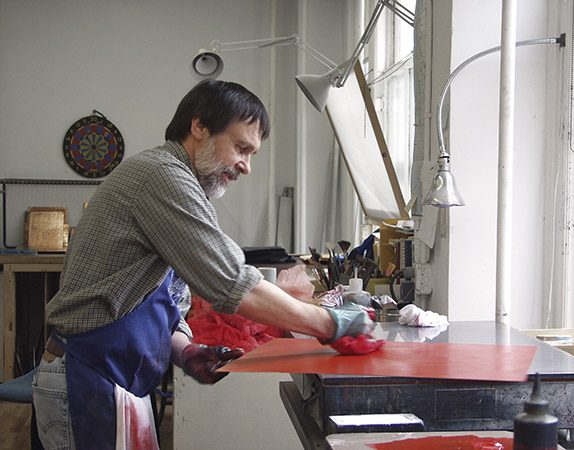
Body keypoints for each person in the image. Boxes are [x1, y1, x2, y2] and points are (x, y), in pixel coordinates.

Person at [33, 79, 373, 449]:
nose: (246, 167)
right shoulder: (160, 175)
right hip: (86, 375)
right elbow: (230, 282)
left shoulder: (182, 187)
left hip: (113, 379)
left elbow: (169, 298)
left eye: (252, 154)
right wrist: (330, 323)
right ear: (199, 127)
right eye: (242, 148)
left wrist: (184, 349)